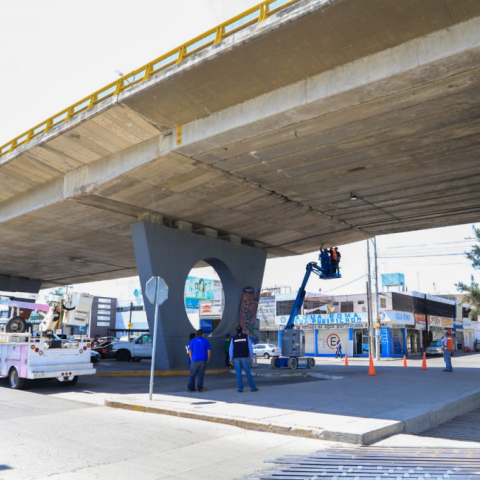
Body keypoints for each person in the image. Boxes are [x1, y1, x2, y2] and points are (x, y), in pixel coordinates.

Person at [229, 325, 258, 393]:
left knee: (238, 374)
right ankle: (252, 387)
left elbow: (231, 349)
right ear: (242, 330)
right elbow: (250, 347)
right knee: (248, 373)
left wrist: (230, 358)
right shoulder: (246, 337)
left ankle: (240, 388)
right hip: (245, 357)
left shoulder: (234, 338)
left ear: (236, 331)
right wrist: (251, 357)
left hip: (236, 358)